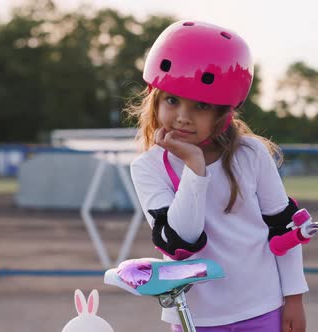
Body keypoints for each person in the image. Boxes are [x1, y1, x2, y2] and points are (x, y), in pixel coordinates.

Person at [127, 20, 308, 332]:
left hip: (263, 307)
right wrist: (194, 167)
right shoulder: (148, 167)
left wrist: (294, 299)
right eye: (172, 100)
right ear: (155, 99)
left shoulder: (250, 154)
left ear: (223, 113)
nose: (183, 116)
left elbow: (283, 231)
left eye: (201, 105)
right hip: (194, 316)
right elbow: (181, 241)